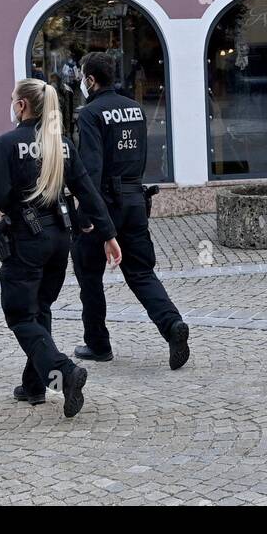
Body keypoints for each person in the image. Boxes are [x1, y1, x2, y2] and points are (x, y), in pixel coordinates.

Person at [0, 78, 122, 418]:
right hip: (61, 239)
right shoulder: (61, 144)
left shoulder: (6, 143)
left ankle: (66, 373)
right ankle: (35, 385)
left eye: (13, 98)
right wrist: (108, 234)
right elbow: (88, 191)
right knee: (40, 307)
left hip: (27, 241)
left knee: (19, 315)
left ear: (21, 106)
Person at [71, 52, 190, 368]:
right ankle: (172, 324)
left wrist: (85, 216)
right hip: (135, 198)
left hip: (103, 204)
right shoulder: (136, 109)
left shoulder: (90, 114)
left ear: (91, 80)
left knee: (90, 275)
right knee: (140, 272)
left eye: (83, 77)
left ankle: (98, 344)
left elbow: (91, 169)